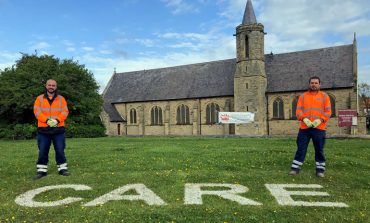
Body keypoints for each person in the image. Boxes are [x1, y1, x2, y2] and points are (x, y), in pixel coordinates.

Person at [288, 76, 332, 178]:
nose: (314, 85)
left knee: (319, 149)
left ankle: (320, 170)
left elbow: (328, 112)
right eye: (312, 83)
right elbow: (298, 111)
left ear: (319, 85)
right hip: (304, 128)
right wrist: (304, 119)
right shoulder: (303, 96)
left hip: (319, 128)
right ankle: (295, 168)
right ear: (309, 84)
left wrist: (320, 120)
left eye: (316, 83)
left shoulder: (325, 96)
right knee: (301, 148)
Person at [33, 79, 70, 179]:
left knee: (60, 150)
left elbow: (65, 111)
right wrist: (47, 120)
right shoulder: (39, 98)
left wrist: (57, 120)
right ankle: (41, 171)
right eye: (49, 85)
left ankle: (62, 169)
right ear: (46, 86)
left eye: (53, 85)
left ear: (56, 87)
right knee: (43, 151)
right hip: (43, 130)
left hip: (58, 130)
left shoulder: (61, 99)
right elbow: (37, 111)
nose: (51, 87)